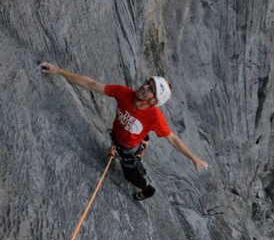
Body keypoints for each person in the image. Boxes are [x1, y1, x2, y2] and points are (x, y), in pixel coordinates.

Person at [40, 62, 208, 201]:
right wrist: (58, 71)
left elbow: (172, 138)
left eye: (150, 88)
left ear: (154, 100)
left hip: (128, 147)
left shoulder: (154, 116)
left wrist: (193, 158)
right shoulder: (125, 93)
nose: (144, 86)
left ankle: (147, 189)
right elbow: (90, 84)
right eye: (147, 83)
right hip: (119, 135)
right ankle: (143, 141)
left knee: (130, 175)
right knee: (128, 136)